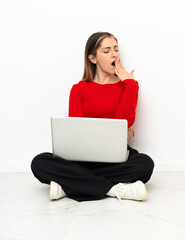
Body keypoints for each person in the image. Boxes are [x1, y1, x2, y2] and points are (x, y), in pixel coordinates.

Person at [31, 32, 154, 202]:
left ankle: (68, 186)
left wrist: (131, 84)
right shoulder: (79, 89)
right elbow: (76, 130)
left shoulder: (127, 86)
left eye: (116, 50)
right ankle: (114, 189)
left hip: (115, 159)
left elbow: (123, 123)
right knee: (39, 162)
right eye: (107, 51)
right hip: (83, 159)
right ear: (93, 58)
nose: (114, 55)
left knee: (145, 164)